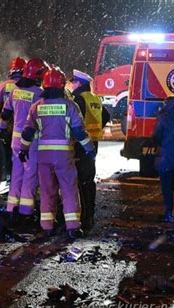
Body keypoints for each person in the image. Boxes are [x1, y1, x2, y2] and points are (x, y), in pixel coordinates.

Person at [19, 68, 96, 239]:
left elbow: (27, 133)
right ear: (62, 85)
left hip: (43, 157)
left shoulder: (36, 107)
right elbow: (79, 133)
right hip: (64, 157)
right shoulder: (70, 106)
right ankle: (73, 227)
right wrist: (89, 149)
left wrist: (23, 150)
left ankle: (47, 226)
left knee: (47, 191)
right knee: (69, 190)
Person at [0, 58, 48, 220]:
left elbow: (5, 114)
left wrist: (2, 129)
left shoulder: (15, 91)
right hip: (31, 141)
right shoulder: (39, 94)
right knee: (30, 174)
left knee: (16, 172)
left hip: (15, 140)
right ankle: (25, 211)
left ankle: (11, 207)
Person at [70, 69, 110, 232]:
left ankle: (83, 219)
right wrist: (96, 129)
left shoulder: (78, 99)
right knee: (88, 181)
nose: (72, 85)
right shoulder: (95, 98)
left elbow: (75, 122)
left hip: (81, 144)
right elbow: (106, 115)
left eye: (73, 82)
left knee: (79, 183)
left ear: (79, 83)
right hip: (92, 143)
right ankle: (89, 216)